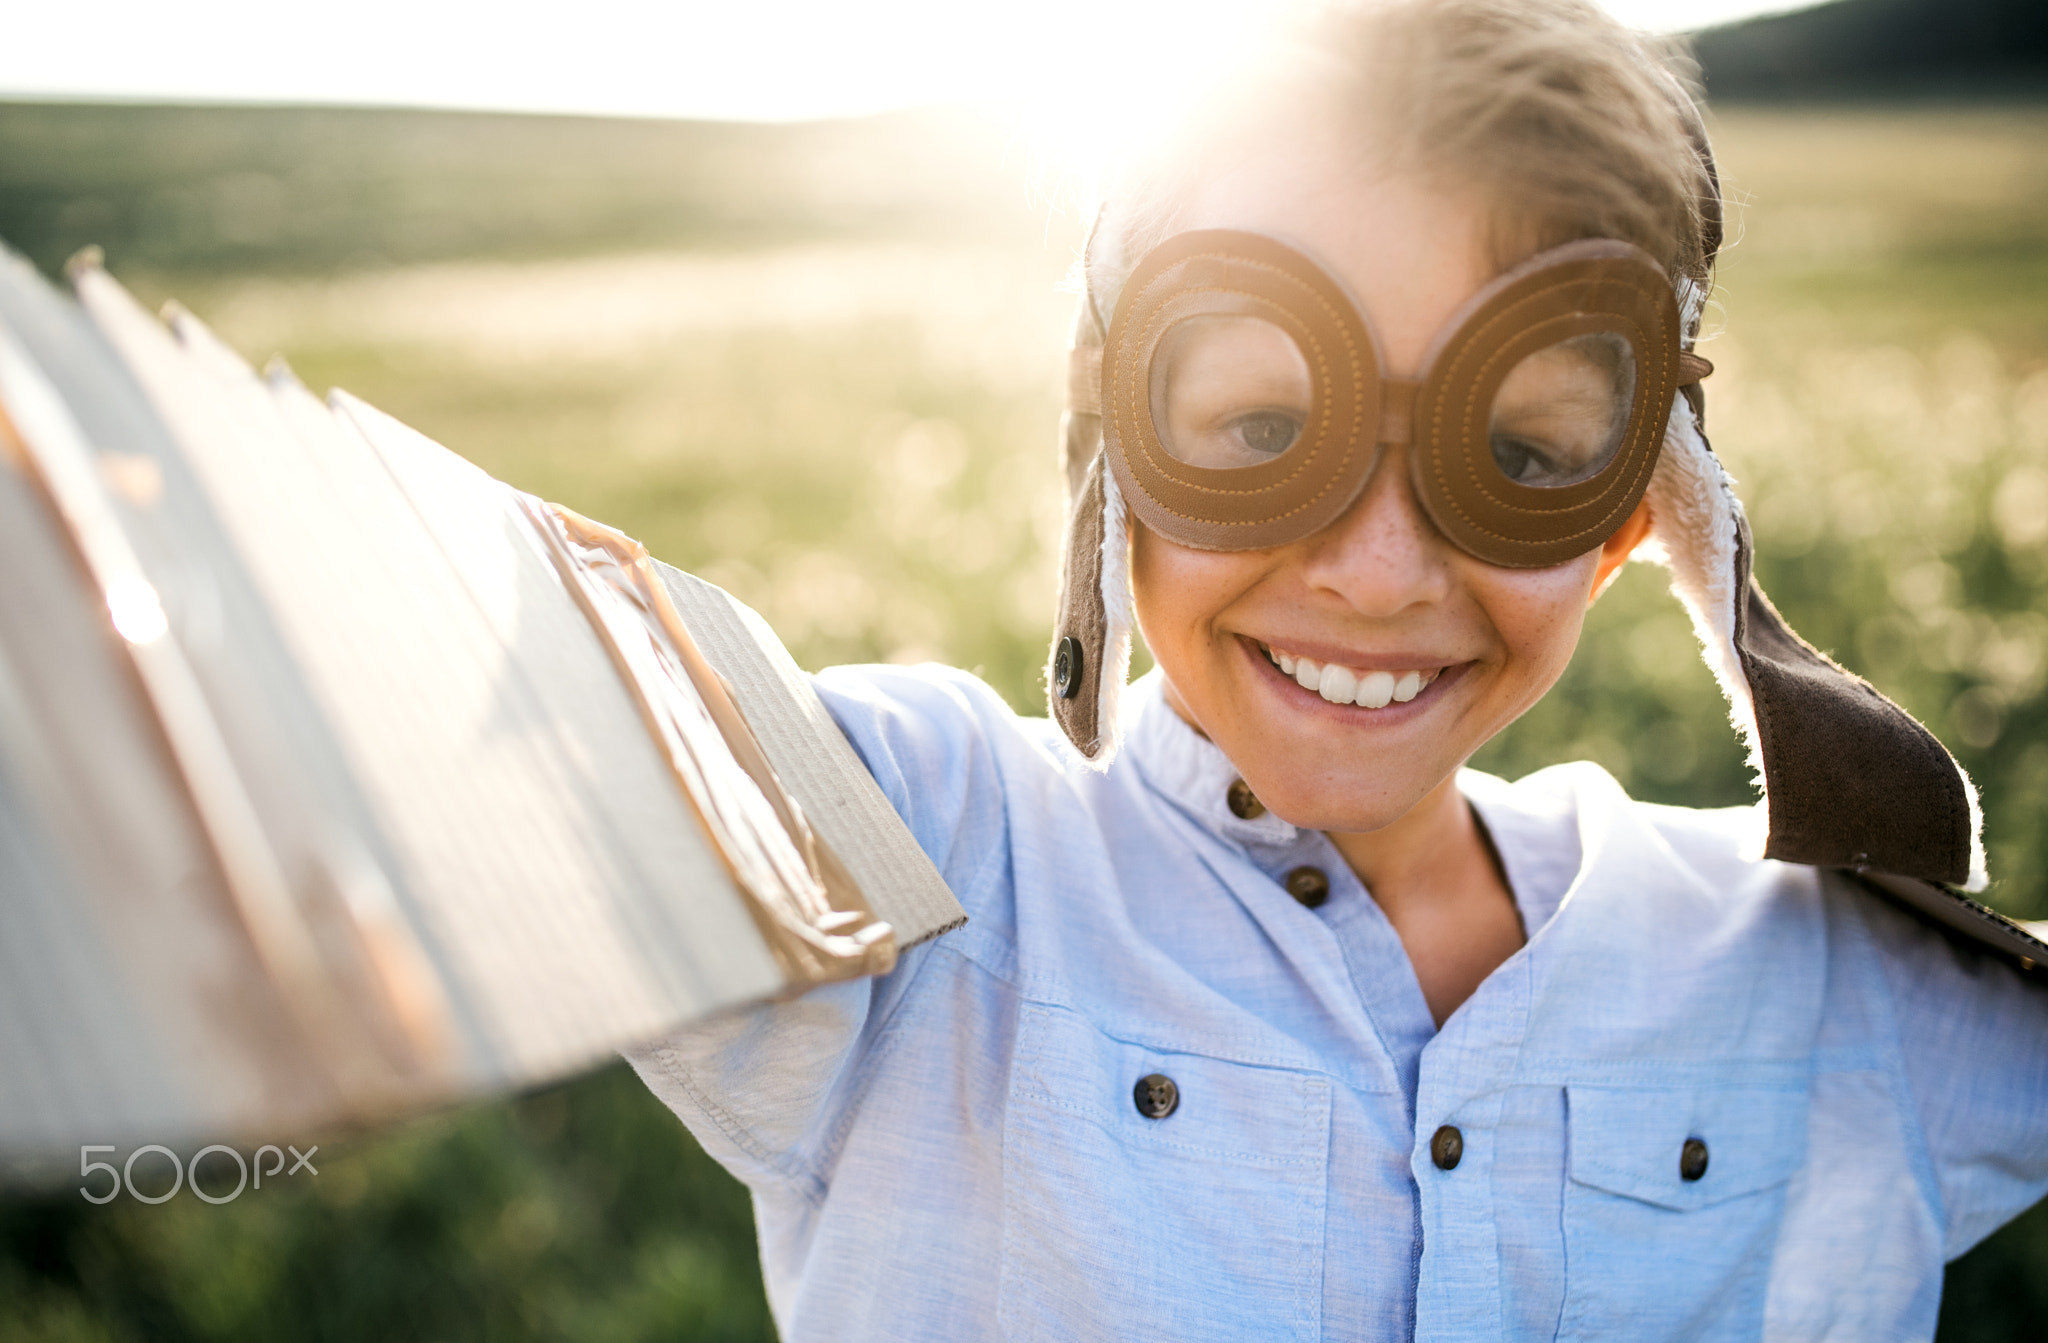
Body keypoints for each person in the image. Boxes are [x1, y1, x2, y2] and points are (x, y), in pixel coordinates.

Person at [627, 1, 2048, 1337]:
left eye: (1516, 460)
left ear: (1641, 514)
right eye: (1260, 431)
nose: (1377, 573)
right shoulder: (931, 865)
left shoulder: (1811, 975)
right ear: (1114, 444)